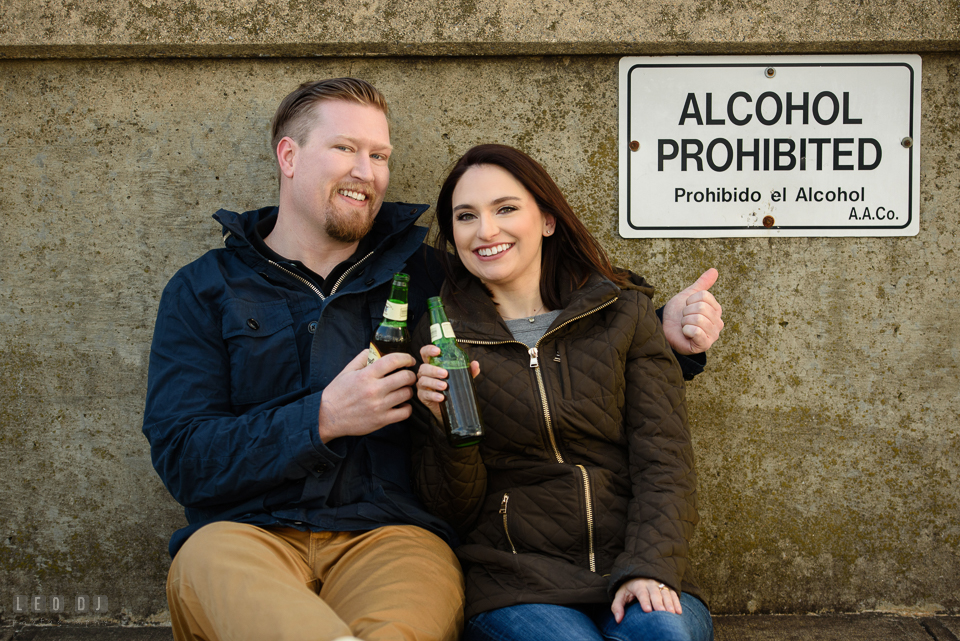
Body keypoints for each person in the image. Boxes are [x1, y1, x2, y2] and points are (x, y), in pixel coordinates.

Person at [143, 78, 721, 641]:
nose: (366, 172)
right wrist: (322, 418)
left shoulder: (432, 276)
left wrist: (666, 335)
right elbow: (182, 455)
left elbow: (553, 303)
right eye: (345, 148)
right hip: (243, 534)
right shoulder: (204, 289)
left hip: (392, 536)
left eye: (379, 154)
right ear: (289, 156)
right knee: (210, 574)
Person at [412, 144, 717, 641]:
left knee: (664, 636)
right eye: (466, 216)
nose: (486, 231)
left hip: (634, 561)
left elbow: (665, 461)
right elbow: (450, 509)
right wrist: (447, 428)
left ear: (548, 220)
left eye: (506, 208)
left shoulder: (621, 312)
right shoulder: (441, 335)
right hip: (515, 583)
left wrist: (650, 565)